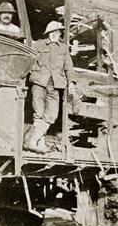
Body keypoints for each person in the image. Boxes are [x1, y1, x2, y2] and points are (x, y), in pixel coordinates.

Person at [24, 21, 78, 154]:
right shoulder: (39, 45)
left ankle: (31, 141)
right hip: (39, 83)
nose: (55, 34)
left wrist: (71, 83)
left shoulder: (63, 48)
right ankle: (39, 145)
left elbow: (69, 68)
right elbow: (28, 60)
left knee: (51, 115)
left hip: (56, 85)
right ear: (48, 33)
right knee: (39, 114)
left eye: (57, 32)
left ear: (60, 33)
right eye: (52, 32)